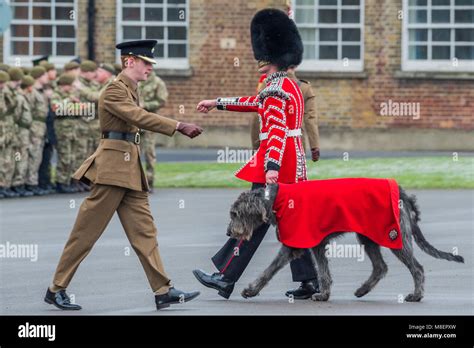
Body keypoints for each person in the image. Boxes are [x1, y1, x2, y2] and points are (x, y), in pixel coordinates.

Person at [44, 39, 203, 311]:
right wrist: (178, 125)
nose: (150, 69)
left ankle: (163, 290)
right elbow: (139, 117)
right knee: (85, 233)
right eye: (145, 63)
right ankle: (56, 288)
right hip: (112, 170)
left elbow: (136, 118)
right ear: (129, 61)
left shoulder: (131, 89)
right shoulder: (115, 91)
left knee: (145, 233)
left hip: (128, 168)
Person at [193, 9, 319, 300]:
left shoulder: (276, 87)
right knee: (292, 221)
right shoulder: (287, 85)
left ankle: (225, 277)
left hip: (277, 163)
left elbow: (274, 130)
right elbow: (254, 103)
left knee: (252, 218)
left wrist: (271, 166)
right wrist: (218, 103)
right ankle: (309, 280)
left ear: (271, 57)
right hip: (292, 162)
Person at [138, 70, 168, 191]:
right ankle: (136, 182)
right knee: (134, 152)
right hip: (136, 121)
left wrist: (146, 105)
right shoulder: (136, 80)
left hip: (149, 121)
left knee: (149, 152)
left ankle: (149, 181)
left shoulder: (157, 82)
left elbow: (162, 101)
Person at [51, 74, 81, 193]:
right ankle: (61, 181)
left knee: (72, 156)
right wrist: (69, 102)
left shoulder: (71, 95)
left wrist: (71, 107)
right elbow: (55, 108)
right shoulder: (57, 95)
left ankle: (69, 180)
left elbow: (80, 109)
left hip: (73, 129)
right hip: (63, 130)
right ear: (65, 85)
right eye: (71, 85)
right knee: (64, 156)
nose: (73, 88)